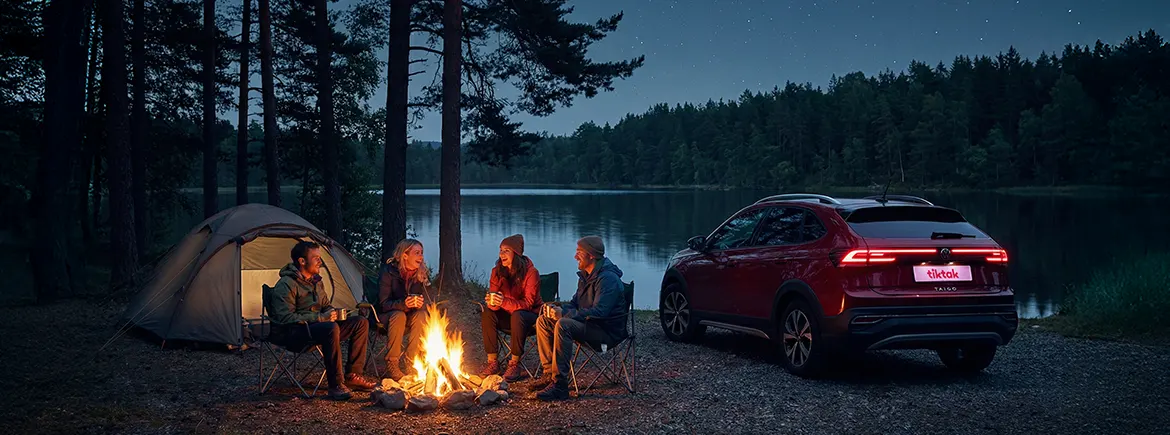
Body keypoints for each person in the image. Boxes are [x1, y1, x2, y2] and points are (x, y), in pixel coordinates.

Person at [262, 240, 377, 400]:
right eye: (316, 257)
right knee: (330, 328)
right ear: (302, 261)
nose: (320, 261)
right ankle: (336, 385)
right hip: (293, 333)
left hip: (317, 329)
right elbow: (285, 318)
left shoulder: (316, 281)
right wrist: (320, 318)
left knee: (360, 322)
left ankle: (353, 376)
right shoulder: (286, 284)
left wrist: (332, 312)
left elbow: (325, 305)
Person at [533, 235, 628, 401]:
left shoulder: (608, 279)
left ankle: (560, 386)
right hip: (590, 327)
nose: (575, 256)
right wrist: (559, 309)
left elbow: (600, 313)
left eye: (579, 252)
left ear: (591, 255)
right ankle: (549, 375)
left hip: (606, 335)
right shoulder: (586, 276)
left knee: (564, 324)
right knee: (544, 321)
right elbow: (575, 304)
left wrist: (564, 315)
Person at [480, 234, 543, 381]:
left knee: (518, 315)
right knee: (487, 312)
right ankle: (493, 362)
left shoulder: (531, 273)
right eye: (500, 250)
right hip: (507, 315)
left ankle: (514, 364)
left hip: (529, 317)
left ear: (516, 254)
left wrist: (503, 302)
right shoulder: (496, 271)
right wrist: (492, 302)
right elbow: (495, 299)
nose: (501, 254)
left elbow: (528, 304)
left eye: (506, 250)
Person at [375, 238, 432, 380]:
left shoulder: (421, 274)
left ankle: (412, 361)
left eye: (422, 253)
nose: (421, 257)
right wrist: (404, 304)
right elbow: (383, 304)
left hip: (409, 317)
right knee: (399, 315)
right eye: (417, 253)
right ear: (404, 255)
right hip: (386, 317)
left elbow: (430, 302)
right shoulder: (388, 272)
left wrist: (420, 304)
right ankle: (392, 362)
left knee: (421, 315)